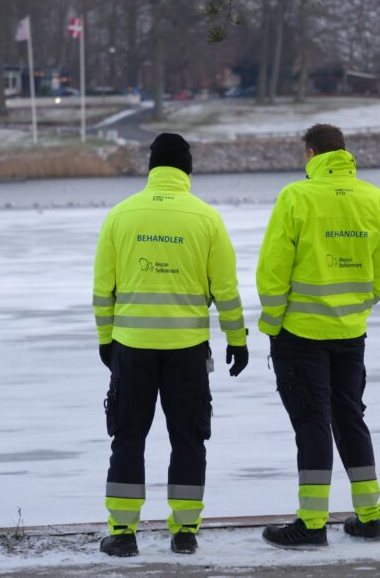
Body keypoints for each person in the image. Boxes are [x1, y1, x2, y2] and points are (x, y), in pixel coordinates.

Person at [92, 132, 249, 557]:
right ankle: (184, 532)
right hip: (187, 350)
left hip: (132, 347)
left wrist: (106, 340)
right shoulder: (206, 219)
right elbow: (226, 290)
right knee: (188, 438)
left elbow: (103, 290)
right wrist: (237, 339)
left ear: (151, 168)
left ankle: (123, 534)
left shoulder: (121, 216)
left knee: (128, 438)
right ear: (187, 169)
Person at [256, 123, 380, 548]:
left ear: (311, 154)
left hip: (300, 333)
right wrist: (353, 308)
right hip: (351, 333)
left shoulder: (296, 197)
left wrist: (273, 322)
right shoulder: (374, 198)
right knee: (350, 418)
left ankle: (312, 524)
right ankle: (370, 517)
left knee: (312, 423)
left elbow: (273, 269)